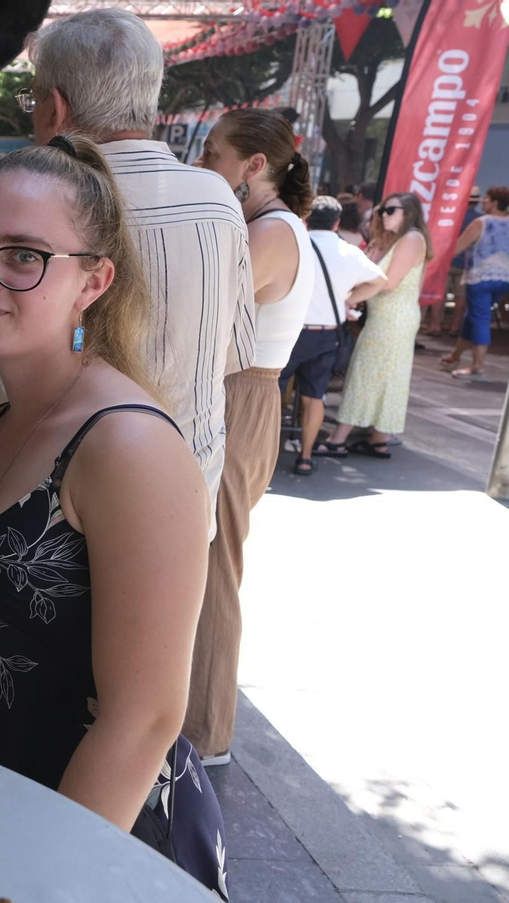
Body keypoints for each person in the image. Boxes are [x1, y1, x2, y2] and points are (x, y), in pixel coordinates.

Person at [0, 135, 227, 895]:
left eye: (23, 256)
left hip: (104, 840)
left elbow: (144, 718)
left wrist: (34, 882)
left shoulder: (127, 446)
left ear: (94, 280)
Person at [26, 8, 255, 538]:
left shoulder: (31, 198)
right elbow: (237, 353)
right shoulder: (219, 200)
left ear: (56, 108)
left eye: (32, 99)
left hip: (41, 510)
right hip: (184, 495)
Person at [190, 109, 314, 763]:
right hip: (236, 396)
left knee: (214, 569)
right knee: (201, 562)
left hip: (241, 399)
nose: (204, 164)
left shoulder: (271, 231)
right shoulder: (264, 226)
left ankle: (205, 733)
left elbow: (205, 311)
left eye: (213, 154)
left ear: (254, 166)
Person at [281, 196, 387, 474]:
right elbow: (380, 281)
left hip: (290, 332)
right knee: (314, 396)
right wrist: (350, 300)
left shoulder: (295, 244)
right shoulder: (348, 251)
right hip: (327, 335)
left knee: (273, 392)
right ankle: (305, 456)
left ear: (306, 219)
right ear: (337, 222)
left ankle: (264, 452)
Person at [325, 192, 433, 457]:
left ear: (408, 212)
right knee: (386, 376)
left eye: (391, 210)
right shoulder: (403, 239)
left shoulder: (411, 238)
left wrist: (348, 300)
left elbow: (387, 282)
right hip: (391, 316)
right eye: (382, 209)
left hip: (393, 317)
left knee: (367, 372)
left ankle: (339, 438)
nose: (383, 214)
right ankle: (379, 438)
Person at [440, 186, 509, 378]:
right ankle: (455, 355)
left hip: (480, 277)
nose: (483, 202)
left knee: (479, 319)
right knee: (473, 317)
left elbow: (457, 248)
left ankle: (478, 364)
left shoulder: (481, 223)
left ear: (495, 202)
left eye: (486, 198)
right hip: (504, 278)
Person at [428, 185, 482, 336]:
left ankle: (436, 325)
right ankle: (455, 327)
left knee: (440, 295)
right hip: (467, 263)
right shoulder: (479, 219)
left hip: (446, 261)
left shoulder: (451, 215)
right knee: (461, 297)